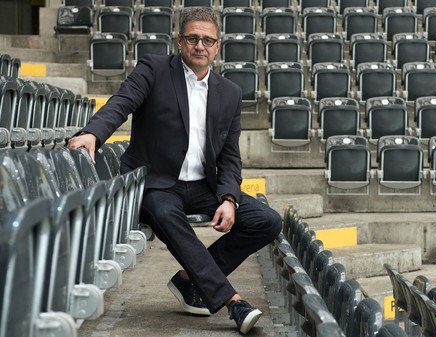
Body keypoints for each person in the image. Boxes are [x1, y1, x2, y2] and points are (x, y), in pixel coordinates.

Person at [67, 6, 282, 335]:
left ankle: (188, 282)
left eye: (207, 40)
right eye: (193, 38)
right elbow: (122, 102)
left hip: (203, 186)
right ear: (179, 41)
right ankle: (233, 302)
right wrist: (93, 132)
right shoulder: (153, 69)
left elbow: (229, 157)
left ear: (218, 45)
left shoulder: (230, 93)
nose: (200, 45)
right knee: (168, 217)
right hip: (157, 184)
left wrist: (228, 198)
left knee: (266, 221)